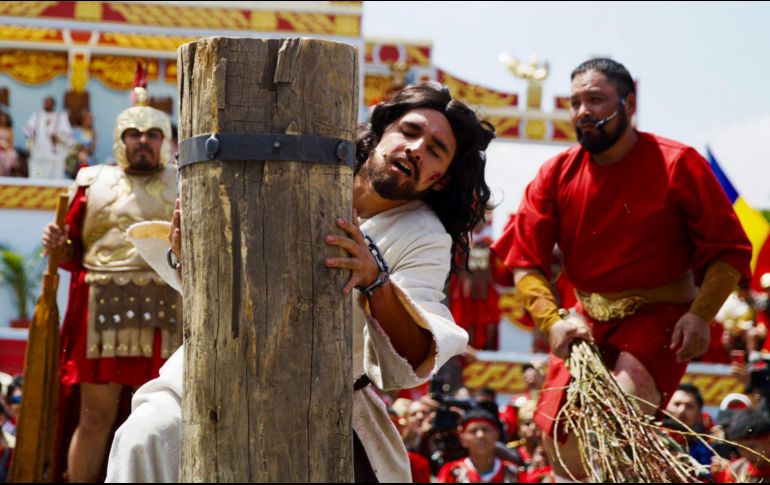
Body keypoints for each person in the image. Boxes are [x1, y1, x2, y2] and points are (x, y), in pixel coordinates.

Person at [105, 82, 495, 482]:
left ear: (440, 179)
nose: (415, 149)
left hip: (325, 401)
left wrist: (376, 282)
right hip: (218, 367)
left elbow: (415, 356)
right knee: (143, 437)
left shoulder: (426, 236)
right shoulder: (306, 162)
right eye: (409, 132)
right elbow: (234, 276)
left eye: (435, 150)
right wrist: (193, 257)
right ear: (382, 131)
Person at [493, 58, 752, 480]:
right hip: (585, 320)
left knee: (614, 419)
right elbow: (525, 261)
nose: (582, 112)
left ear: (630, 103)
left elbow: (729, 251)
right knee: (557, 442)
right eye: (575, 102)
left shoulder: (678, 162)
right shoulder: (555, 173)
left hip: (660, 319)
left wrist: (701, 313)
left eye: (595, 99)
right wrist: (551, 319)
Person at [41, 87, 182, 482]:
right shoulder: (92, 183)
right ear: (121, 140)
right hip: (100, 312)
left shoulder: (184, 184)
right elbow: (73, 252)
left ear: (163, 140)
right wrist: (59, 245)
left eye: (151, 134)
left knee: (163, 417)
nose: (142, 141)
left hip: (168, 312)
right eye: (133, 134)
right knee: (95, 418)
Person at [437, 409, 519, 483]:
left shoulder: (514, 472)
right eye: (473, 431)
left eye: (485, 430)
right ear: (463, 439)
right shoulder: (451, 473)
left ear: (496, 435)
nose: (480, 435)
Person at [23, 96, 73, 179]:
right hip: (38, 155)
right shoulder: (37, 115)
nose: (47, 104)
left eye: (50, 102)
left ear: (54, 104)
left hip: (55, 156)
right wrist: (29, 147)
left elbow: (68, 137)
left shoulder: (61, 117)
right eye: (46, 102)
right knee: (38, 175)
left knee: (54, 179)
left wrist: (58, 137)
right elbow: (28, 132)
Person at [665, 383, 713, 465]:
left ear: (699, 415)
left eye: (689, 406)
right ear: (666, 407)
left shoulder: (706, 452)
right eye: (677, 404)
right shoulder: (648, 437)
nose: (681, 411)